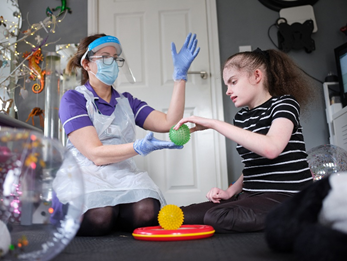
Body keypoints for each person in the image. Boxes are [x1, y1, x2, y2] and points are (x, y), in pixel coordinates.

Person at [53, 33, 200, 236]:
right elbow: (95, 154)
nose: (111, 62)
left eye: (115, 58)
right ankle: (105, 214)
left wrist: (179, 78)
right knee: (99, 216)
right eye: (104, 56)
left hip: (122, 174)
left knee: (147, 212)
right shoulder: (73, 99)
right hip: (85, 173)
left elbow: (169, 123)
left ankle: (116, 213)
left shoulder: (127, 101)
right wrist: (138, 147)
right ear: (86, 64)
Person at [174, 48, 314, 233]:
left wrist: (214, 124)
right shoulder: (241, 118)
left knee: (216, 217)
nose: (227, 91)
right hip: (252, 195)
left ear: (257, 76)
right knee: (181, 216)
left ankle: (301, 214)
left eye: (233, 82)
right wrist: (229, 192)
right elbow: (253, 164)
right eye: (226, 85)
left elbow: (271, 149)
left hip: (287, 196)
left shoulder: (285, 104)